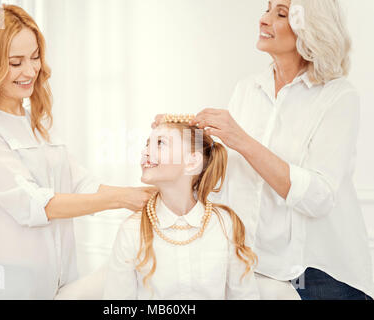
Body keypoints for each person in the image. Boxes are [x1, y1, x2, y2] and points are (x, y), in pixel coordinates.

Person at [154, 0, 373, 300]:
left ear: (311, 29)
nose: (264, 20)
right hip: (256, 268)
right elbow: (229, 174)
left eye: (280, 13)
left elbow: (319, 197)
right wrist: (183, 135)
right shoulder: (248, 90)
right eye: (266, 9)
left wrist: (242, 140)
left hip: (323, 277)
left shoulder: (339, 96)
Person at [0, 5, 154, 299]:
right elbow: (35, 204)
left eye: (35, 57)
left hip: (60, 278)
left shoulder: (36, 123)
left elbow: (82, 184)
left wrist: (140, 193)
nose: (30, 71)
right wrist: (120, 199)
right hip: (7, 284)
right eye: (15, 62)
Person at [103, 115, 259, 299]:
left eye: (160, 143)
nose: (145, 152)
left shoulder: (226, 225)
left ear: (192, 162)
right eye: (147, 144)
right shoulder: (132, 230)